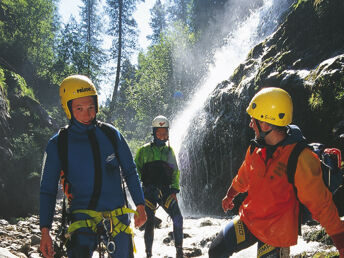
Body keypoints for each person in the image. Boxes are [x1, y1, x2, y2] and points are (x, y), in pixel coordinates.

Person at [208, 87, 344, 257]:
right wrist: (230, 195)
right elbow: (243, 176)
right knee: (216, 250)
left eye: (253, 119)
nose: (251, 124)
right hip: (250, 219)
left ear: (265, 123)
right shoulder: (255, 148)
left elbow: (321, 204)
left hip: (276, 233)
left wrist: (340, 243)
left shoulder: (301, 158)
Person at [39, 75, 147, 258]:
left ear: (96, 105)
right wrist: (45, 231)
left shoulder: (111, 135)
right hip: (81, 222)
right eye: (79, 108)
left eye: (91, 107)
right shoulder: (58, 144)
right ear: (68, 108)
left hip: (117, 219)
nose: (87, 114)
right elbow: (47, 190)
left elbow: (130, 171)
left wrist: (140, 205)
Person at [135, 115, 184, 258]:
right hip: (149, 191)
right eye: (159, 133)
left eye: (165, 133)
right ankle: (148, 254)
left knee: (178, 217)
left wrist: (175, 189)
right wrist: (140, 191)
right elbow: (135, 171)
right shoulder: (144, 151)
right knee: (149, 222)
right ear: (154, 133)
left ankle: (179, 251)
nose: (162, 136)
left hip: (166, 191)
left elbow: (175, 171)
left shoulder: (169, 152)